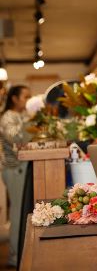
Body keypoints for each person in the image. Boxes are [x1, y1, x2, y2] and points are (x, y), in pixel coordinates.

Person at [0, 85, 32, 267]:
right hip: (14, 169)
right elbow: (17, 138)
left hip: (21, 168)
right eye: (25, 97)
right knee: (18, 213)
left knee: (21, 212)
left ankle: (19, 253)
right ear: (14, 98)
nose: (28, 100)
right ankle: (14, 257)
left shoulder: (21, 116)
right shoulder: (8, 117)